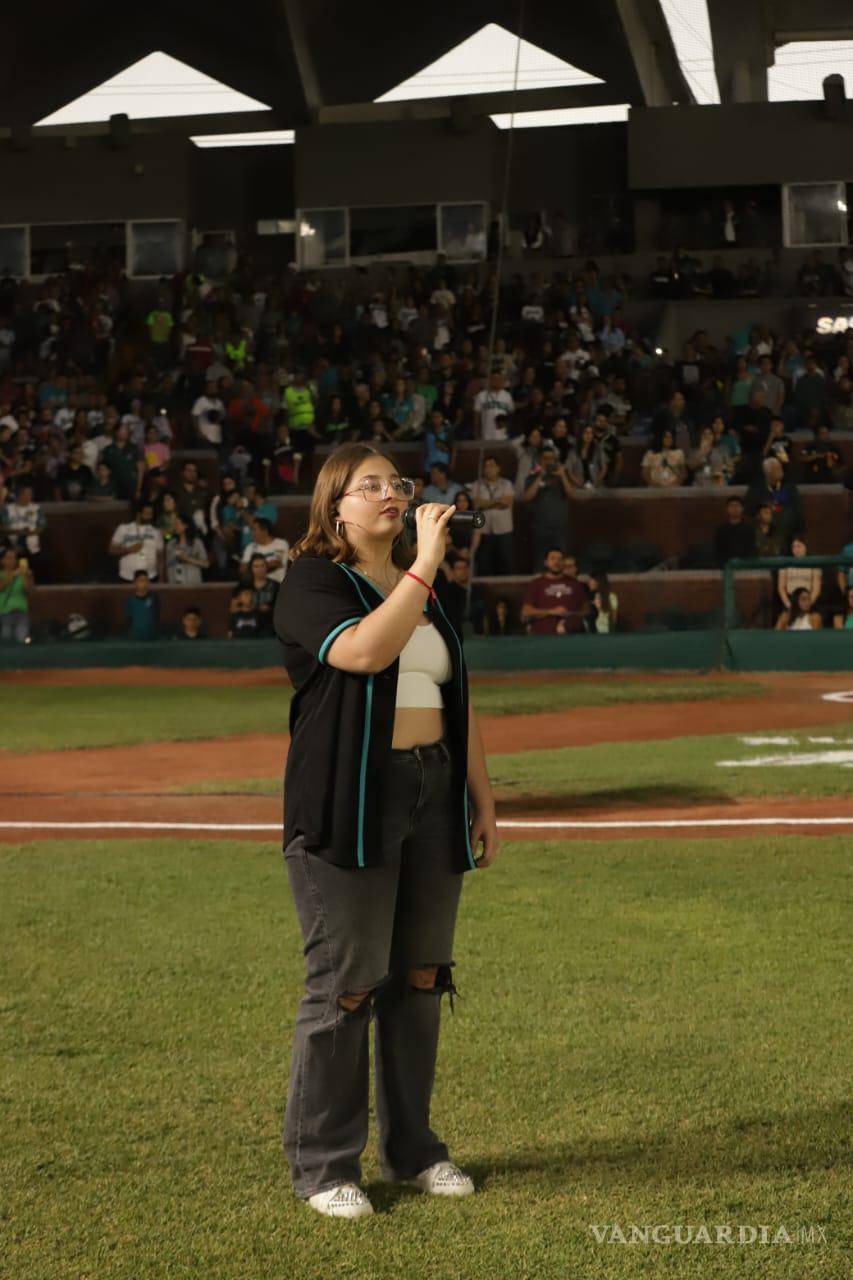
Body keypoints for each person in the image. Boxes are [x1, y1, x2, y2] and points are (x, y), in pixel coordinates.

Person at [272, 443, 499, 1218]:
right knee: (347, 985)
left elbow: (453, 698)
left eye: (394, 483)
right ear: (334, 506)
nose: (389, 493)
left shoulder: (424, 590)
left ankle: (415, 1150)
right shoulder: (310, 580)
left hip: (433, 792)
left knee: (422, 977)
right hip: (350, 800)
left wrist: (482, 800)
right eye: (367, 485)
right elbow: (365, 652)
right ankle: (324, 1167)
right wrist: (427, 561)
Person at [521, 549, 590, 635]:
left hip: (572, 634)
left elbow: (586, 610)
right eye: (553, 559)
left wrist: (570, 615)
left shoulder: (574, 583)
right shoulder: (536, 584)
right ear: (546, 562)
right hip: (543, 636)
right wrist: (551, 611)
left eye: (560, 559)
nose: (556, 562)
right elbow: (526, 611)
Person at [467, 455, 514, 576]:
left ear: (498, 468)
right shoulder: (477, 484)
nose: (488, 469)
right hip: (484, 530)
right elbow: (476, 503)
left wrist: (486, 503)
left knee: (506, 562)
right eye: (486, 466)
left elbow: (507, 503)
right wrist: (497, 501)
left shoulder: (506, 484)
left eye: (492, 466)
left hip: (504, 529)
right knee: (485, 564)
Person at [108, 501, 164, 582]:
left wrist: (161, 577)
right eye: (147, 513)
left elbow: (160, 557)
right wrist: (128, 549)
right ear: (139, 514)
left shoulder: (156, 532)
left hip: (150, 576)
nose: (149, 516)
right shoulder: (123, 528)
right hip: (126, 576)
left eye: (151, 514)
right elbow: (111, 549)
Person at [239, 516, 289, 584]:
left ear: (264, 531)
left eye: (254, 530)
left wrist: (253, 566)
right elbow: (242, 569)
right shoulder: (250, 547)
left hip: (277, 585)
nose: (252, 533)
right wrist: (265, 565)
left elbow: (277, 563)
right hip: (255, 588)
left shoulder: (280, 544)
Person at [778, 537, 821, 613]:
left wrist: (808, 604)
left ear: (806, 547)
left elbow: (816, 588)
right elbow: (781, 587)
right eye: (793, 546)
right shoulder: (785, 564)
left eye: (799, 546)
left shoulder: (814, 564)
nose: (796, 549)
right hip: (790, 599)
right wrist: (789, 605)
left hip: (808, 599)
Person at [165, 515, 209, 585]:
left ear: (185, 526)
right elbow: (168, 565)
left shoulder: (197, 543)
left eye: (177, 524)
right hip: (175, 583)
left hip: (193, 584)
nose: (175, 526)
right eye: (174, 524)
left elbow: (206, 564)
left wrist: (188, 559)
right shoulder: (171, 544)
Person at [0, 546, 31, 642]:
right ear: (2, 560)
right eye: (9, 558)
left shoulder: (21, 574)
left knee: (21, 640)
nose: (13, 560)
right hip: (5, 612)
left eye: (14, 558)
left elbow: (29, 591)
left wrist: (26, 576)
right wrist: (13, 574)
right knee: (6, 640)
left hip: (21, 612)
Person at [714, 495, 756, 565]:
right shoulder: (721, 529)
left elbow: (751, 549)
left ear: (742, 509)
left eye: (737, 506)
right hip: (726, 565)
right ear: (727, 509)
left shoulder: (749, 529)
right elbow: (719, 550)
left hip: (745, 565)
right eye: (732, 506)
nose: (735, 509)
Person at [123, 570, 160, 640]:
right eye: (141, 580)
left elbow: (156, 618)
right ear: (135, 582)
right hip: (135, 638)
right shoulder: (130, 600)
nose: (144, 583)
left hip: (151, 638)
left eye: (146, 580)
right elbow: (128, 620)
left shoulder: (154, 598)